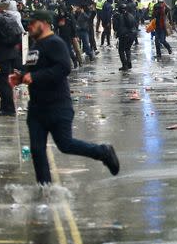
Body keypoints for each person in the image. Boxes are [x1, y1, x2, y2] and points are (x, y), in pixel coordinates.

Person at [21, 10, 119, 184]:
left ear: (43, 23)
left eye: (31, 23)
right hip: (37, 107)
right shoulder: (36, 45)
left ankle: (103, 152)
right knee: (37, 149)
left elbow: (64, 68)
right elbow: (32, 70)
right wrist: (21, 76)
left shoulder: (55, 43)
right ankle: (45, 188)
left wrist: (35, 77)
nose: (28, 26)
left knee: (65, 144)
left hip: (57, 105)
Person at [113, 3, 137, 71]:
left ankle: (124, 65)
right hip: (132, 35)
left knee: (121, 50)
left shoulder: (118, 16)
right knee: (127, 48)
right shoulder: (130, 15)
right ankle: (129, 62)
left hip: (124, 35)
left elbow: (115, 28)